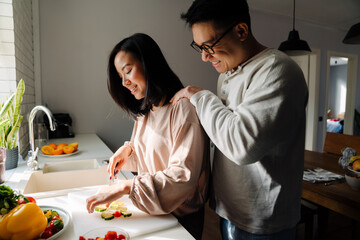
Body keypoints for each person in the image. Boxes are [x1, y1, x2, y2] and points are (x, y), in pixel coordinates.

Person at [170, 0, 309, 239]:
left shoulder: (277, 70)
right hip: (230, 211)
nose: (204, 57)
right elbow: (222, 130)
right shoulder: (227, 74)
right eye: (199, 46)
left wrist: (201, 97)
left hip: (263, 220)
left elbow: (242, 146)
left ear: (241, 31)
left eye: (209, 45)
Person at [86, 33, 210, 240]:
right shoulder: (147, 110)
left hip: (181, 220)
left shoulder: (183, 109)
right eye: (120, 77)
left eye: (128, 71)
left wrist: (126, 186)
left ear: (149, 64)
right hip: (155, 214)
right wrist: (128, 151)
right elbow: (152, 154)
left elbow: (182, 177)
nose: (124, 82)